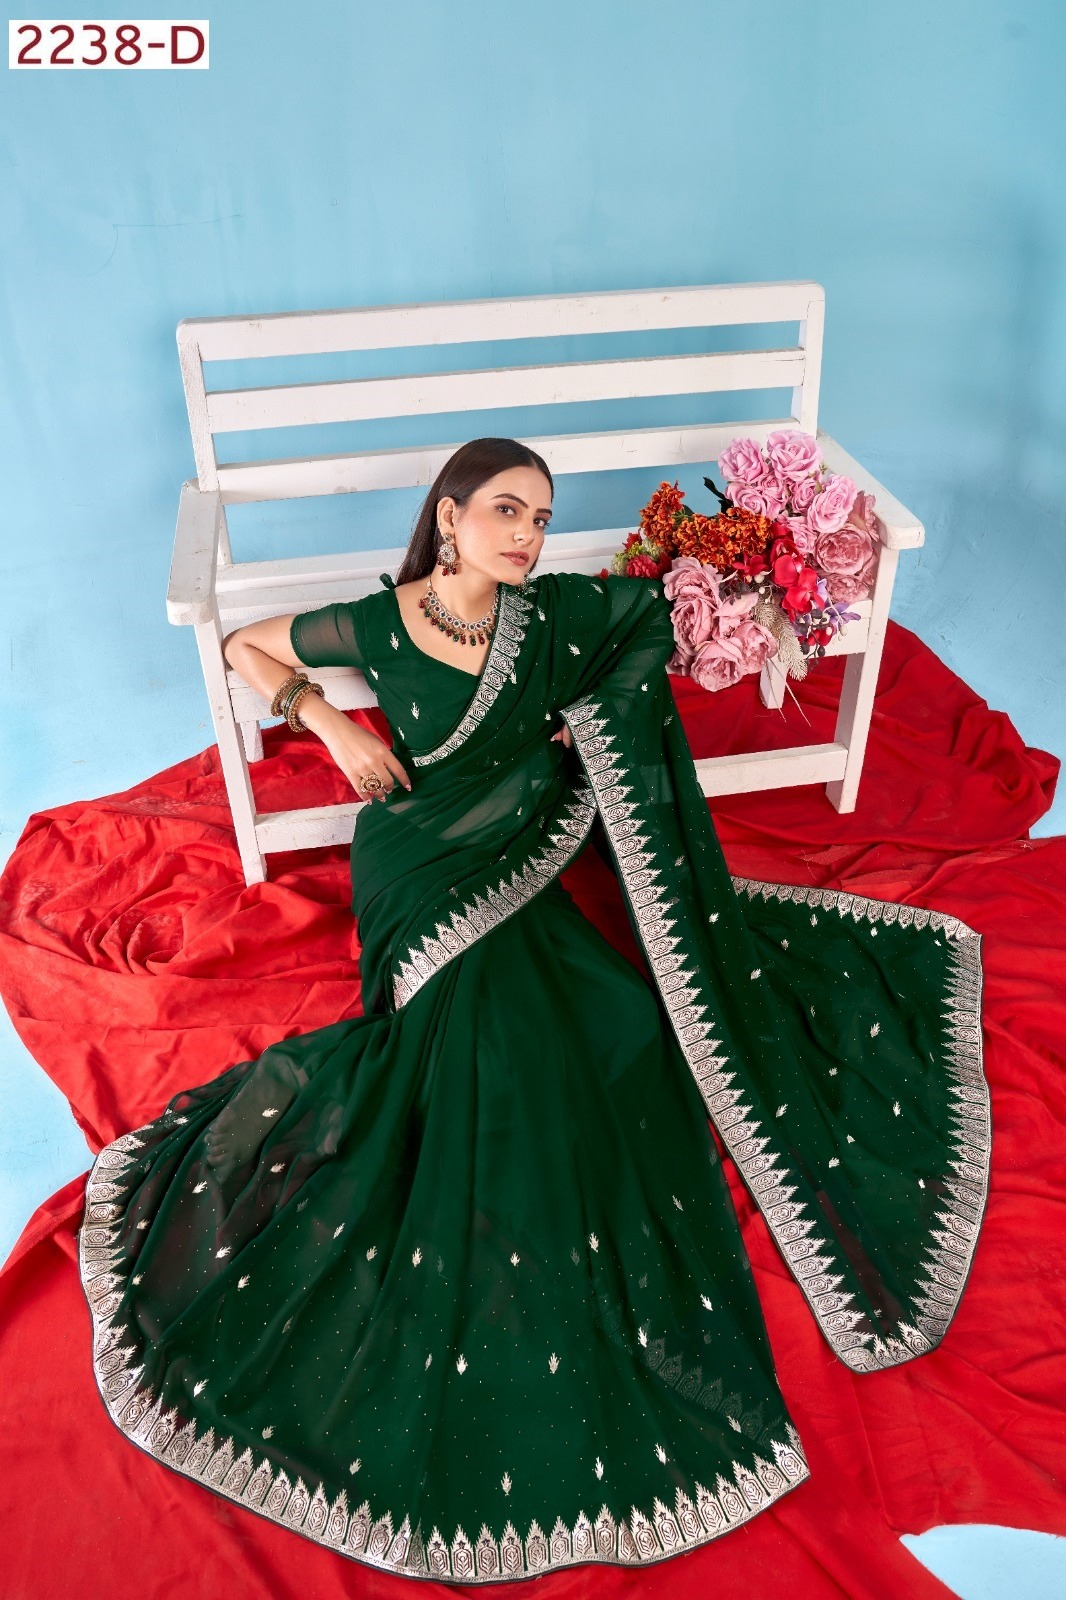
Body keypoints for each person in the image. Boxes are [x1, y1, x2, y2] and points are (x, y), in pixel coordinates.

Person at [78, 437, 991, 1584]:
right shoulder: (376, 621)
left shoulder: (551, 612)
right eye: (505, 510)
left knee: (626, 1023)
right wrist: (332, 725)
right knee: (473, 1057)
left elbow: (642, 625)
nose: (525, 534)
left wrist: (594, 713)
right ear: (449, 518)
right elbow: (246, 643)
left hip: (521, 843)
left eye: (542, 518)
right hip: (417, 865)